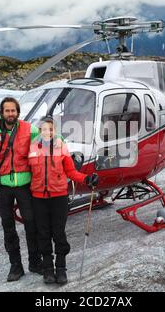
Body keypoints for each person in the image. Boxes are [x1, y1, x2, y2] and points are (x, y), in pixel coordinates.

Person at [0, 97, 42, 282]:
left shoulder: (29, 129)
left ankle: (35, 262)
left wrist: (59, 140)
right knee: (8, 227)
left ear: (18, 112)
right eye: (7, 111)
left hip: (25, 185)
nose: (10, 114)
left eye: (13, 110)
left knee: (31, 223)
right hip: (3, 187)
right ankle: (16, 266)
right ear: (2, 113)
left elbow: (48, 138)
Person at [29, 116, 99, 285]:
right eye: (44, 129)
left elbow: (70, 171)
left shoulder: (61, 147)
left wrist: (86, 179)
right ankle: (48, 269)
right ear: (39, 131)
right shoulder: (32, 148)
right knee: (43, 234)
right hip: (38, 198)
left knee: (58, 233)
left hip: (59, 196)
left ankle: (61, 268)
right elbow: (25, 171)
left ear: (55, 131)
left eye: (51, 129)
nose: (47, 132)